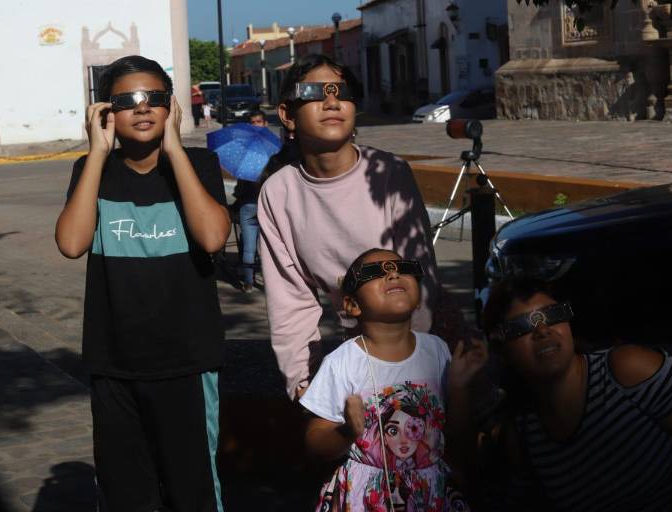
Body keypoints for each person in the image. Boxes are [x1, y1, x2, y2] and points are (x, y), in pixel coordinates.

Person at [55, 55, 230, 512]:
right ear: (106, 111)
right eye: (127, 100)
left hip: (187, 364)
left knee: (191, 491)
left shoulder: (198, 164)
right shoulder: (93, 170)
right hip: (114, 365)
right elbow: (72, 244)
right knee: (124, 492)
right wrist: (96, 152)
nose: (142, 107)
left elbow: (213, 236)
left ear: (169, 106)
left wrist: (175, 150)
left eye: (154, 97)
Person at [257, 53, 450, 400]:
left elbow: (420, 276)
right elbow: (291, 301)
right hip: (356, 353)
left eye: (341, 91)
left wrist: (409, 367)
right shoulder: (278, 192)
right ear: (287, 115)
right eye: (315, 91)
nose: (331, 100)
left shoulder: (389, 173)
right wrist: (302, 380)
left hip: (426, 342)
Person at [478, 277, 672, 512]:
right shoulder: (526, 434)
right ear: (502, 350)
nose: (542, 330)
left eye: (553, 314)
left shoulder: (625, 369)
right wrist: (459, 390)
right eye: (522, 326)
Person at [299, 248, 487, 511]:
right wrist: (347, 431)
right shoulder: (342, 362)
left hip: (430, 494)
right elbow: (315, 440)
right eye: (375, 272)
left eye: (404, 268)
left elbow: (455, 432)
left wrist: (459, 388)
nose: (393, 274)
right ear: (352, 305)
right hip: (364, 497)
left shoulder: (436, 350)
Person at [231, 109, 269, 288]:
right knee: (267, 246)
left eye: (258, 122)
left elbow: (239, 181)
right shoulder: (271, 149)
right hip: (266, 203)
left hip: (247, 203)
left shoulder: (243, 151)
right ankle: (269, 281)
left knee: (249, 245)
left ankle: (248, 281)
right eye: (255, 122)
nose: (256, 125)